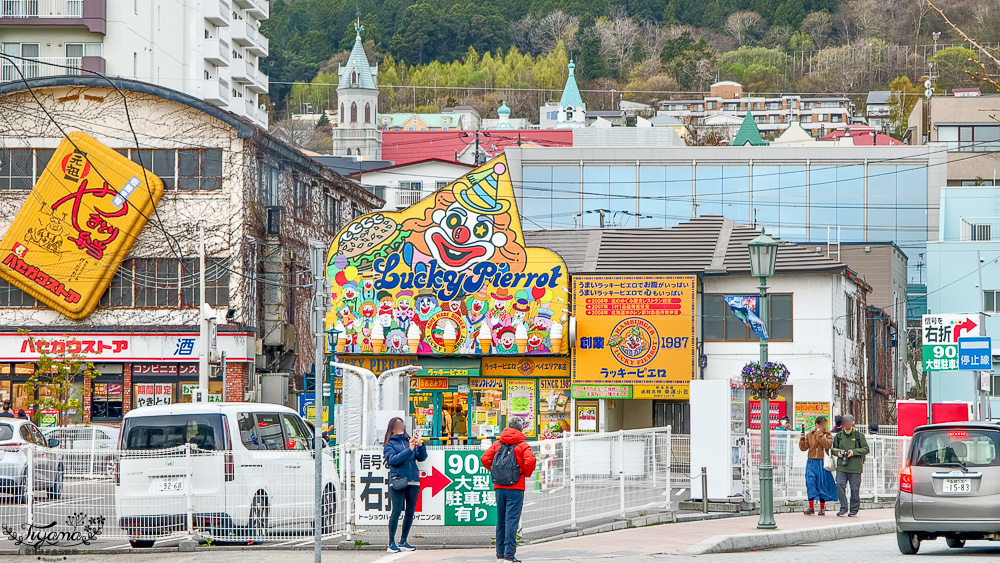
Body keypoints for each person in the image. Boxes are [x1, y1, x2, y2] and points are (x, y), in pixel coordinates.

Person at [482, 417, 536, 563]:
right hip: (516, 488)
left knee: (500, 521)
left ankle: (500, 555)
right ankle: (509, 556)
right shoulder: (523, 445)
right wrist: (524, 473)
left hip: (499, 487)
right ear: (521, 429)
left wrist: (494, 471)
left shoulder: (497, 444)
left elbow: (485, 459)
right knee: (512, 521)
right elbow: (530, 461)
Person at [383, 417, 427, 553]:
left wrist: (420, 445)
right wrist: (409, 449)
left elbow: (422, 457)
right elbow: (392, 460)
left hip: (413, 480)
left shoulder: (409, 441)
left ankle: (403, 541)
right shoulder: (389, 444)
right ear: (393, 429)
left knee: (410, 512)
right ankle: (391, 543)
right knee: (396, 511)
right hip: (398, 480)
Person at [832, 414, 869, 517]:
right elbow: (833, 449)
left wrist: (854, 452)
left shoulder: (858, 435)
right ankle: (843, 507)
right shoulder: (839, 436)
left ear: (853, 422)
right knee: (839, 486)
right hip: (842, 466)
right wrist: (838, 453)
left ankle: (854, 509)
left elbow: (866, 449)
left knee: (854, 489)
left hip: (855, 467)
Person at [799, 416, 837, 515]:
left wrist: (820, 435)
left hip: (822, 462)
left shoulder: (827, 435)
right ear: (817, 424)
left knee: (822, 484)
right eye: (821, 424)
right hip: (811, 461)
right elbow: (803, 448)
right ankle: (811, 507)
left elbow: (827, 445)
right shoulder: (809, 435)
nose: (823, 426)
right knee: (810, 482)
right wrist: (802, 439)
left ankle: (822, 508)